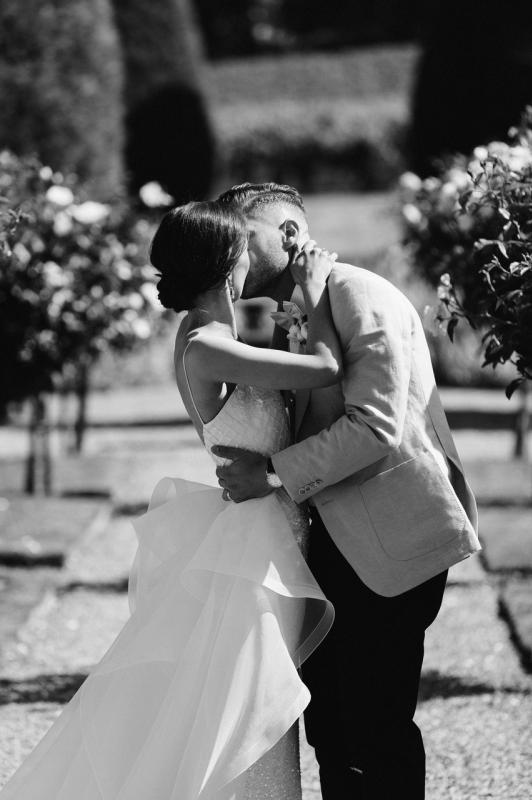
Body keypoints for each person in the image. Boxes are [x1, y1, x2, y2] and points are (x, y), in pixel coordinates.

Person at [0, 200, 341, 800]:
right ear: (228, 262)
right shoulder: (207, 344)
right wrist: (313, 292)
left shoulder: (214, 332)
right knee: (251, 713)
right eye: (244, 251)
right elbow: (324, 367)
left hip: (266, 533)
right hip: (255, 552)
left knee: (250, 707)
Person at [214, 182, 481, 800]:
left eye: (241, 239)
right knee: (331, 729)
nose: (230, 255)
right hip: (327, 545)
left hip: (388, 536)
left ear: (288, 234)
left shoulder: (358, 292)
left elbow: (375, 426)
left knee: (376, 729)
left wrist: (271, 473)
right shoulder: (292, 308)